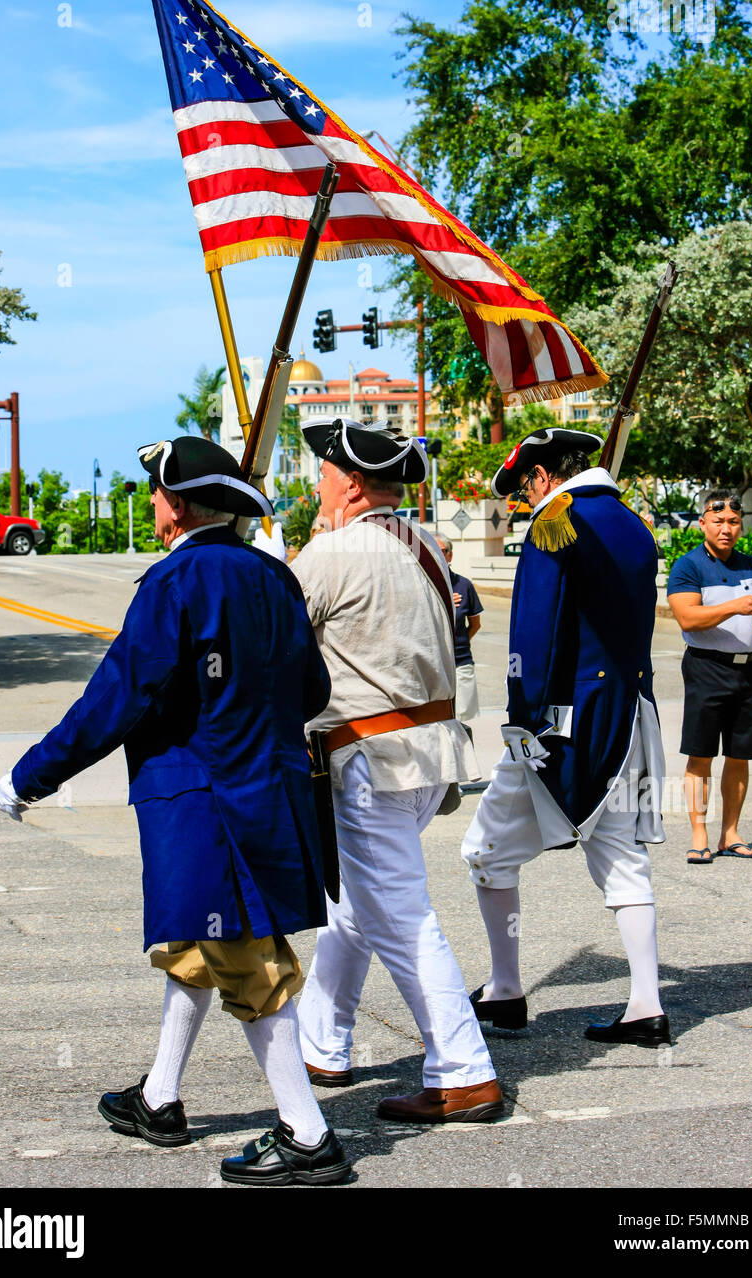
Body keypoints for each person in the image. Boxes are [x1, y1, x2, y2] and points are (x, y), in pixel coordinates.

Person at [0, 436, 351, 1187]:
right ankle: (160, 1098)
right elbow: (312, 692)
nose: (153, 504)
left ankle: (308, 1134)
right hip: (267, 788)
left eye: (156, 493)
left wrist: (32, 775)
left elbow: (118, 697)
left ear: (177, 503)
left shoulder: (175, 579)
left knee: (248, 961)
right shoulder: (273, 576)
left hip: (203, 799)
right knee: (199, 944)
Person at [290, 416, 501, 1123]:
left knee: (402, 918)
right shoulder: (427, 547)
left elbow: (277, 642)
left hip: (366, 762)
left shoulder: (330, 552)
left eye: (323, 475)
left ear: (349, 484)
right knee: (352, 909)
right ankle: (322, 1043)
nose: (318, 486)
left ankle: (464, 1070)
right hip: (427, 755)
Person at [462, 427, 671, 1047]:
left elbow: (535, 633)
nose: (526, 500)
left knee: (486, 852)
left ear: (544, 475)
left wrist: (522, 716)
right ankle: (646, 1004)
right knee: (622, 858)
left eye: (525, 487)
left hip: (563, 722)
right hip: (629, 712)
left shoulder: (558, 521)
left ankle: (504, 990)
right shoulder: (633, 523)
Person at [667, 490, 752, 864]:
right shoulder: (688, 566)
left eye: (733, 522)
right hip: (706, 668)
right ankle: (699, 833)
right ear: (703, 523)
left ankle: (730, 833)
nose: (726, 529)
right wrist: (735, 605)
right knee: (700, 755)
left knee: (739, 755)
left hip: (748, 669)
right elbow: (688, 619)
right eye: (718, 521)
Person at [434, 534, 484, 735]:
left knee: (463, 718)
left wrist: (459, 643)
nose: (438, 555)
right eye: (433, 551)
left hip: (461, 661)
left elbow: (475, 624)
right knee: (439, 721)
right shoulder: (423, 585)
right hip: (435, 665)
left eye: (442, 551)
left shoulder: (464, 585)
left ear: (450, 555)